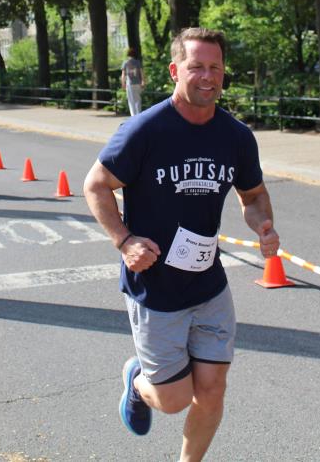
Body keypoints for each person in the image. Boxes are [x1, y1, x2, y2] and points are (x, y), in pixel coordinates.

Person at [83, 27, 280, 462]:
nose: (207, 76)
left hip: (209, 286)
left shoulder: (236, 136)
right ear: (175, 71)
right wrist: (125, 240)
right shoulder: (145, 130)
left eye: (215, 67)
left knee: (212, 390)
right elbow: (95, 185)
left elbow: (253, 195)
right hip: (156, 289)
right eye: (196, 67)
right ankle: (138, 382)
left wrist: (263, 225)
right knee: (173, 401)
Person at [120, 49, 144, 116]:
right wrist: (143, 81)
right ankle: (138, 115)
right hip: (138, 83)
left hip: (129, 84)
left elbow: (123, 75)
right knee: (138, 100)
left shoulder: (125, 62)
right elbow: (141, 73)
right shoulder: (138, 62)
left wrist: (123, 83)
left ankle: (133, 116)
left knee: (131, 101)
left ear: (128, 54)